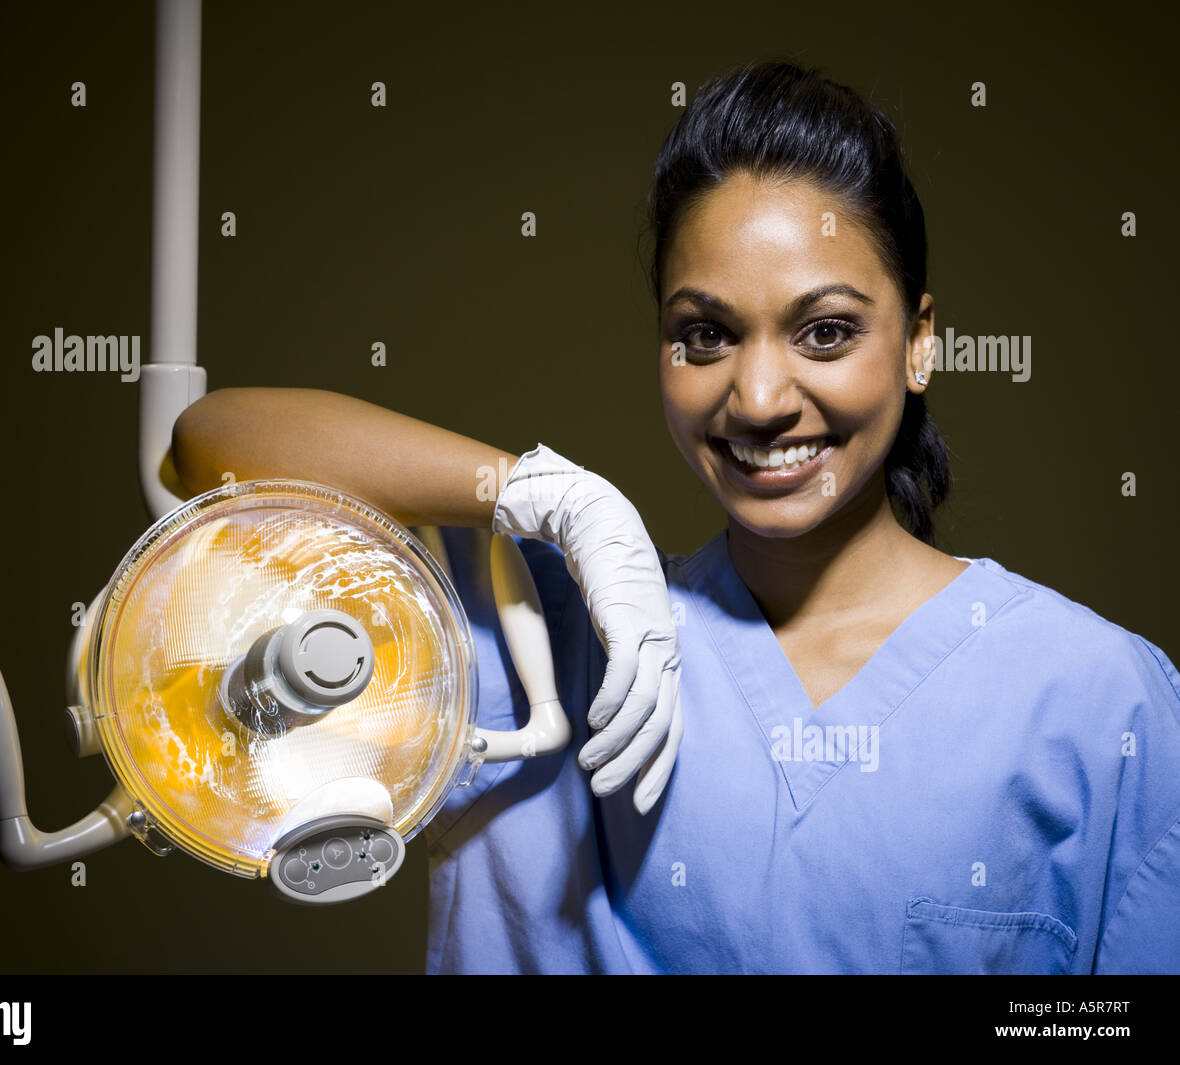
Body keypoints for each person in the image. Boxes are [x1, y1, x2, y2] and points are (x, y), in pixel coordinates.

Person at [171, 60, 1180, 974]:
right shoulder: (545, 636)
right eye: (704, 335)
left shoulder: (1096, 701)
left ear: (919, 343)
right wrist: (557, 498)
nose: (758, 397)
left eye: (825, 332)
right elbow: (210, 442)